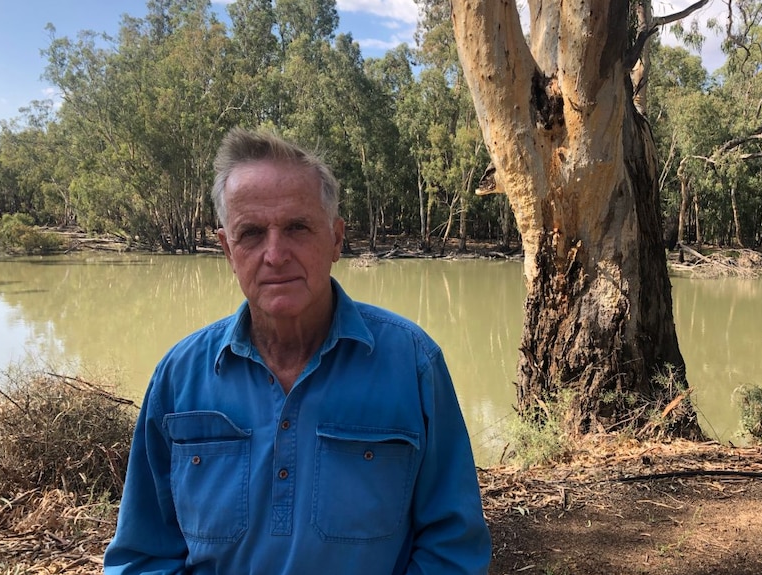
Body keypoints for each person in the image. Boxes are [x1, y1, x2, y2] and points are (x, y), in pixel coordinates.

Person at [103, 127, 492, 574]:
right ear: (227, 249)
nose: (275, 254)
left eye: (297, 228)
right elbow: (143, 555)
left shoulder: (412, 364)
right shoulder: (179, 377)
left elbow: (452, 547)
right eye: (250, 233)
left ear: (336, 239)